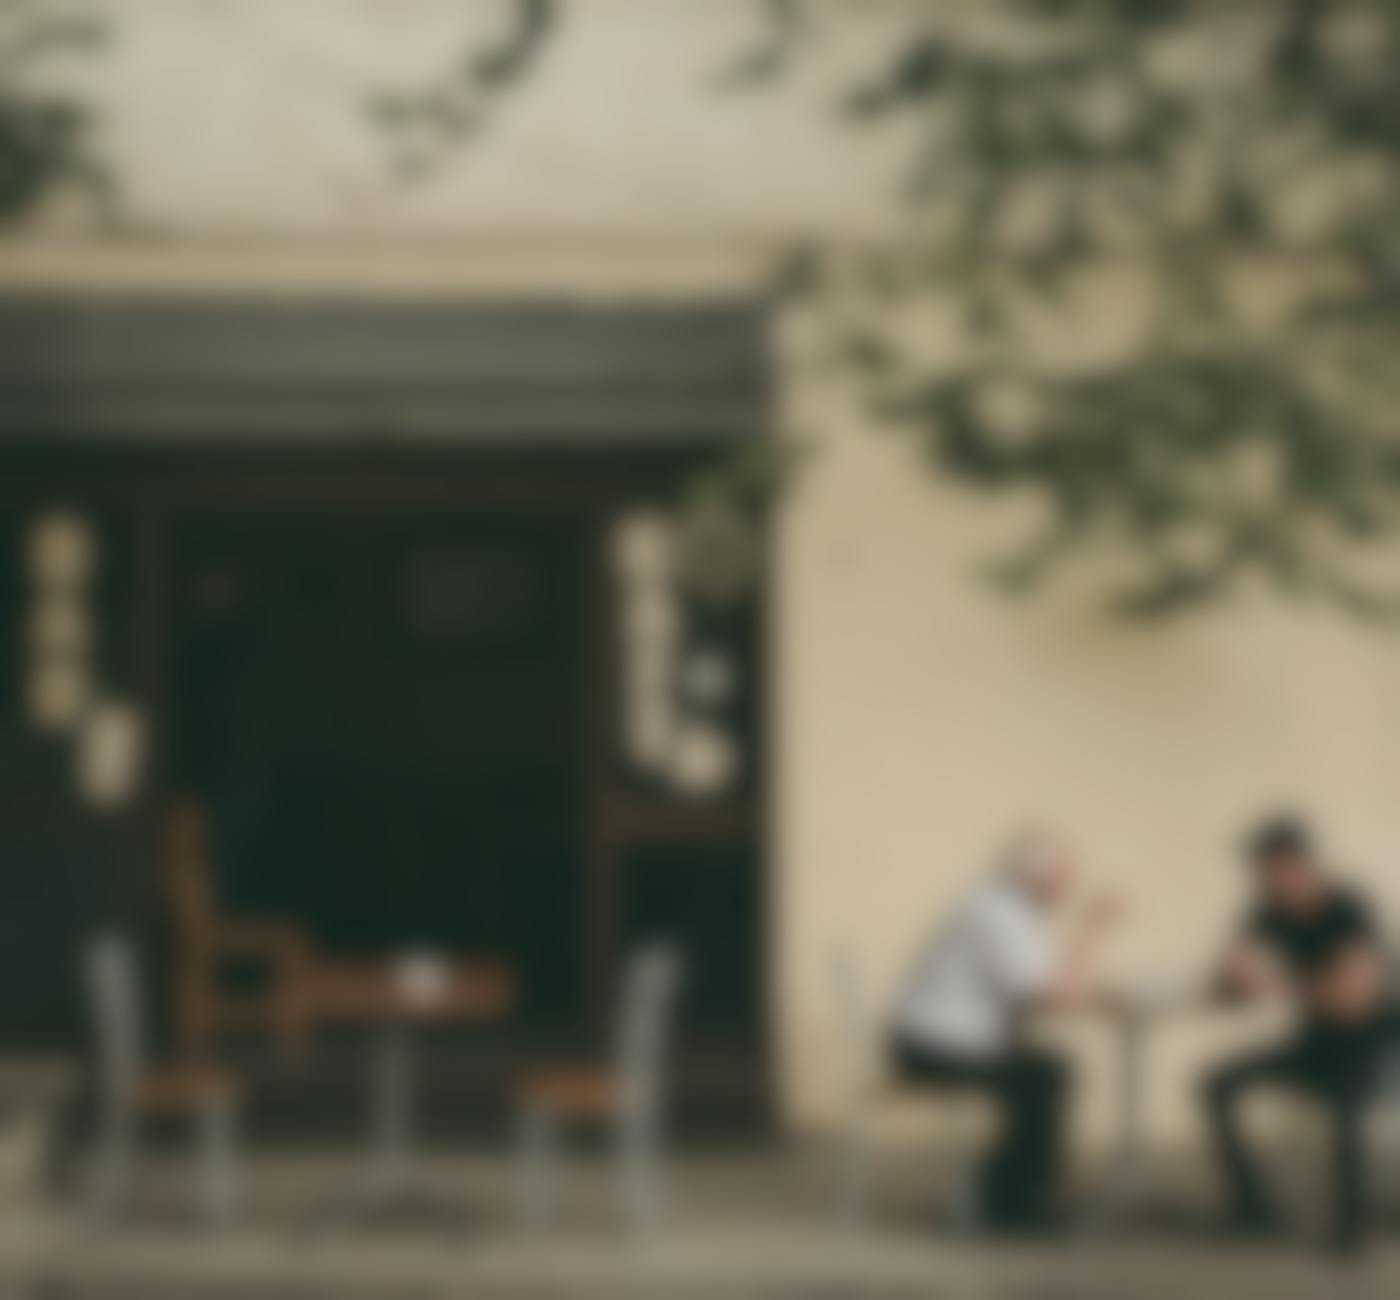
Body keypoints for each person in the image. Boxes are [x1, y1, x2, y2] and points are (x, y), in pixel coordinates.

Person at [889, 829, 1123, 1233]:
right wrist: (1092, 928)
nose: (1067, 889)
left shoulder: (1000, 907)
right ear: (1035, 877)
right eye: (1061, 879)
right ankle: (1015, 1207)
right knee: (1047, 1076)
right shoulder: (1002, 914)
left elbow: (1041, 989)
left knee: (1040, 1072)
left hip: (938, 1042)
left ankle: (1006, 1196)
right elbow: (1048, 997)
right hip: (934, 1047)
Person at [1202, 814, 1392, 1258]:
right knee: (1216, 1084)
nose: (1263, 879)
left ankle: (1351, 1230)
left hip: (1373, 1040)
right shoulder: (1266, 908)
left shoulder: (1347, 906)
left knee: (1348, 1101)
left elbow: (1355, 1001)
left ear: (1298, 864)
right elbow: (1230, 975)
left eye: (1270, 869)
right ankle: (1253, 1211)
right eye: (1259, 872)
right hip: (1315, 1043)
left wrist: (1280, 986)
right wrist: (1235, 978)